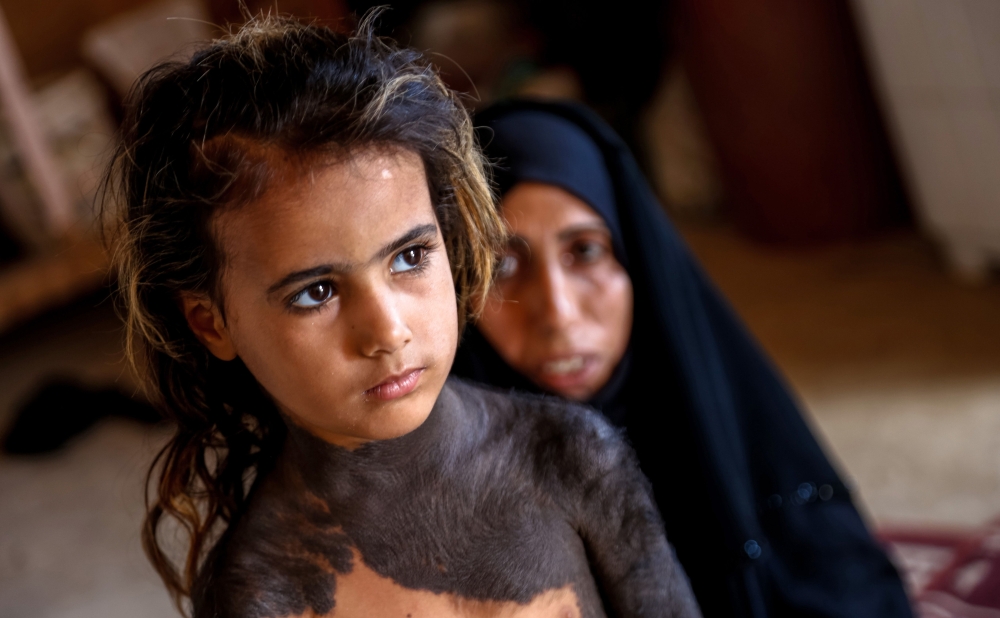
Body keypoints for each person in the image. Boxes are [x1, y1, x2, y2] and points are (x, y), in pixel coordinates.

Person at [106, 16, 702, 618]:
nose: (389, 332)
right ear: (212, 323)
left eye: (410, 257)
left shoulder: (572, 458)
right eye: (316, 292)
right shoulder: (265, 595)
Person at [452, 100, 914, 618]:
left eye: (584, 251)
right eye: (504, 265)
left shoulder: (723, 421)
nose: (557, 313)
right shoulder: (431, 479)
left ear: (638, 261)